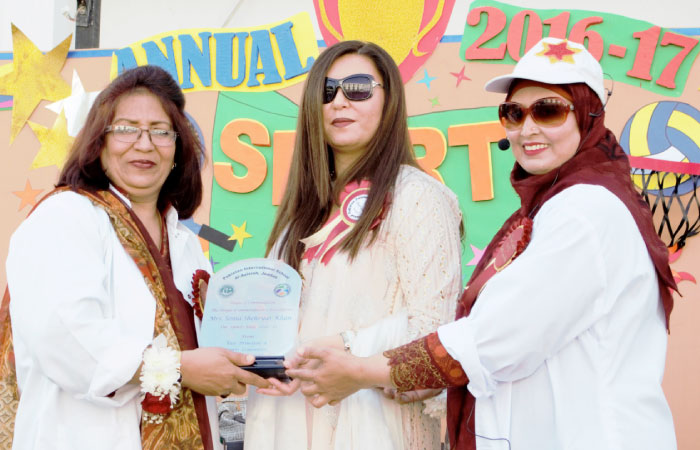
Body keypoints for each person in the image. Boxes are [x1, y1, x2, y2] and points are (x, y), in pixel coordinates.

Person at [284, 37, 679, 450]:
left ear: (588, 116)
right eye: (513, 112)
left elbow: (494, 340)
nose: (528, 129)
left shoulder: (585, 211)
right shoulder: (552, 207)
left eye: (549, 110)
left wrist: (360, 369)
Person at [0, 65, 269, 450]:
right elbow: (67, 341)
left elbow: (212, 350)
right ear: (99, 141)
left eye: (160, 131)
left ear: (177, 148)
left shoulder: (186, 242)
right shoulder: (65, 217)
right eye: (126, 128)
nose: (144, 144)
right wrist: (180, 369)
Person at [243, 40, 463, 450]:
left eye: (358, 87)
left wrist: (345, 350)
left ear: (390, 100)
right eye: (327, 91)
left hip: (374, 426)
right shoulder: (299, 213)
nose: (340, 101)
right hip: (292, 422)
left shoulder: (417, 197)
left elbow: (435, 335)